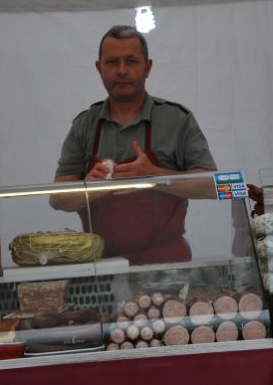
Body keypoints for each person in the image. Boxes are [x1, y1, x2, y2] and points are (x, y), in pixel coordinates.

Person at [50, 25, 217, 265]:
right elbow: (57, 199)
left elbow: (214, 186)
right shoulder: (84, 125)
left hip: (166, 265)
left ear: (147, 67)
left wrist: (154, 176)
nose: (121, 70)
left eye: (131, 61)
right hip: (100, 266)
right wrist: (90, 188)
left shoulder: (177, 120)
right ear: (99, 68)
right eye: (112, 62)